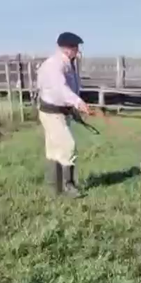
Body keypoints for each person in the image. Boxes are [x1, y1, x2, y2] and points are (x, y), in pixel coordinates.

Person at [36, 31, 93, 197]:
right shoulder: (55, 65)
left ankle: (57, 187)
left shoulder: (68, 63)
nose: (78, 50)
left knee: (56, 150)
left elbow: (70, 88)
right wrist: (78, 103)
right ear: (68, 48)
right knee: (68, 146)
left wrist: (73, 108)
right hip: (52, 112)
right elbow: (60, 89)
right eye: (75, 47)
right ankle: (68, 186)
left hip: (60, 111)